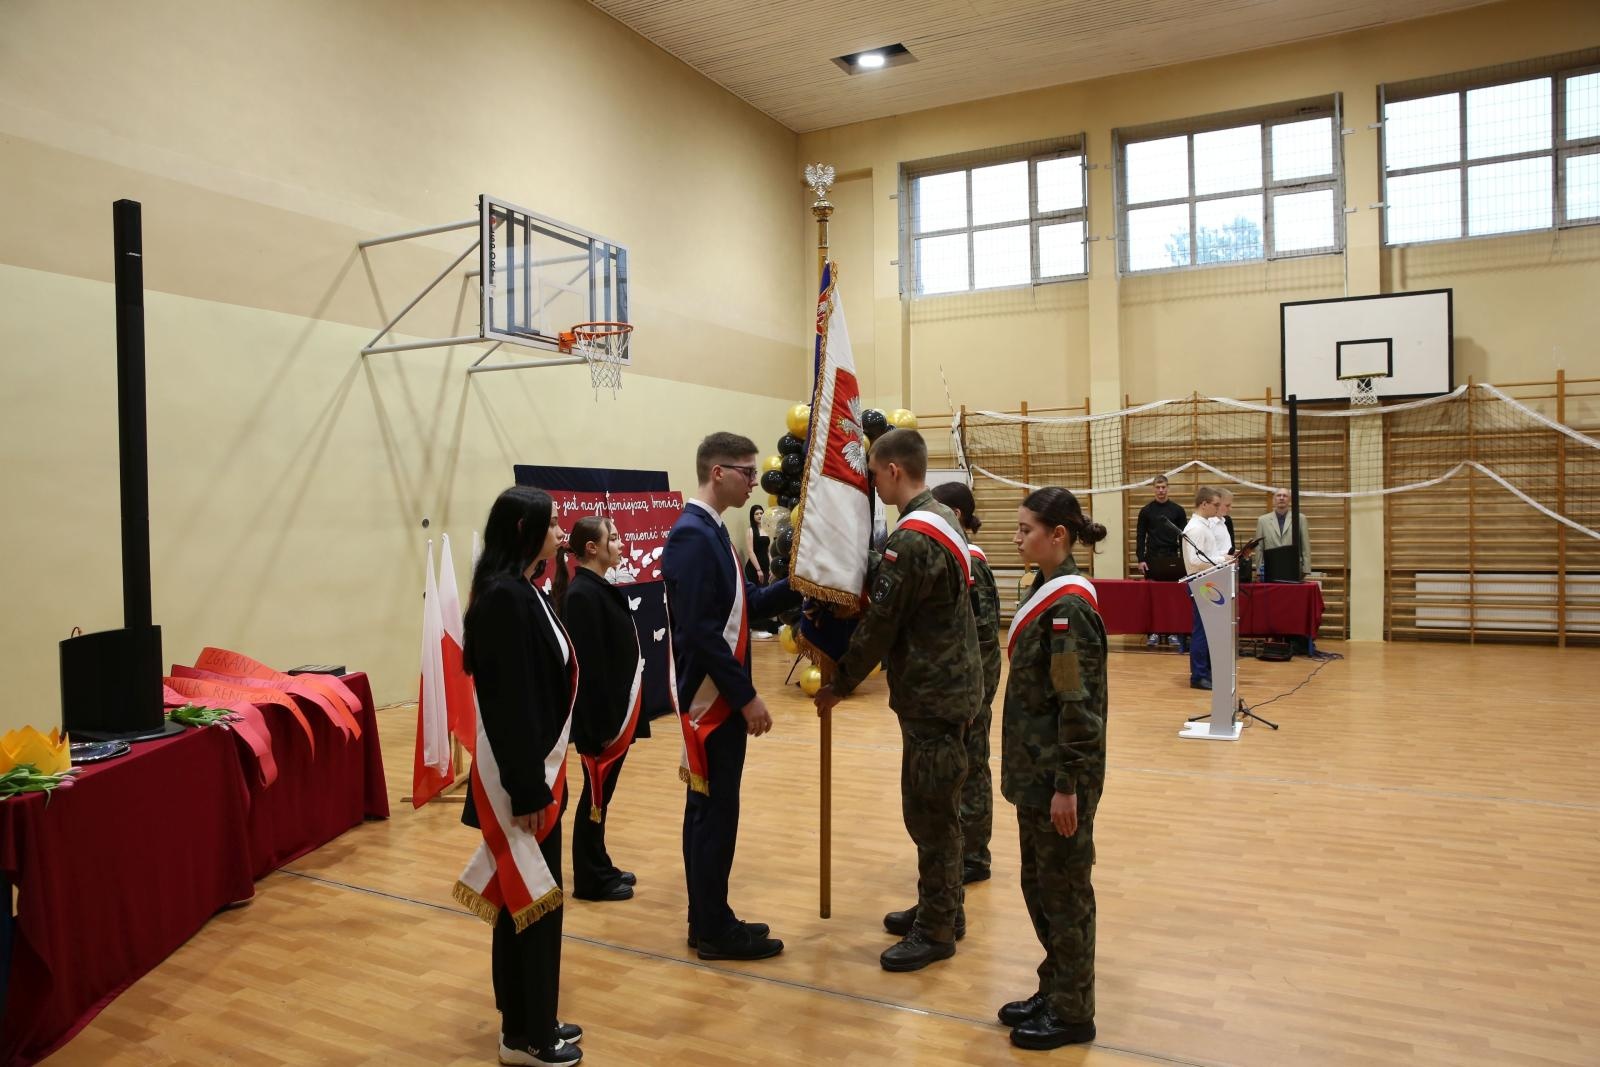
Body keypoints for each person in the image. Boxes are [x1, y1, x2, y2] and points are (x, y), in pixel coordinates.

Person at [814, 430, 983, 972]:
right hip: (950, 689)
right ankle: (943, 906)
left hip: (933, 697)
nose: (871, 484)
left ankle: (937, 930)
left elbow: (881, 625)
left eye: (873, 474)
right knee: (939, 808)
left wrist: (840, 683)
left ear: (893, 470)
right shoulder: (944, 517)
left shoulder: (911, 541)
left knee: (930, 814)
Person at [455, 486, 583, 1067]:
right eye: (552, 524)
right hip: (522, 784)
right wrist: (530, 788)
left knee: (526, 904)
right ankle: (525, 1036)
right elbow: (511, 704)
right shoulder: (504, 597)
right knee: (533, 903)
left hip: (539, 773)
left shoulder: (524, 589)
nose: (561, 533)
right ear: (523, 532)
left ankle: (532, 1018)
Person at [661, 432, 798, 961]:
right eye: (746, 471)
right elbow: (699, 630)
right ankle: (714, 928)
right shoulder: (692, 536)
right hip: (712, 699)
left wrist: (798, 584)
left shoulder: (713, 530)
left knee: (712, 812)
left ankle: (708, 918)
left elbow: (747, 605)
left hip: (720, 694)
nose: (754, 481)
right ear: (717, 473)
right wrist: (745, 697)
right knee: (713, 814)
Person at [997, 486, 1108, 1051]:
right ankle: (1055, 986)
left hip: (1056, 782)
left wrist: (1067, 785)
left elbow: (1077, 705)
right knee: (1041, 888)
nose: (1017, 539)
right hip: (1034, 777)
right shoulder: (1043, 591)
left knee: (1065, 894)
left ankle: (1073, 1012)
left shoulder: (1067, 609)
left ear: (1057, 535)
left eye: (1026, 530)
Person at [557, 516, 645, 904]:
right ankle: (590, 879)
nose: (621, 544)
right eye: (614, 538)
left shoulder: (596, 587)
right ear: (592, 548)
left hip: (613, 715)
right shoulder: (582, 595)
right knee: (594, 797)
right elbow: (589, 670)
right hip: (600, 721)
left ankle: (599, 862)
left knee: (602, 798)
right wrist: (602, 723)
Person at [930, 480, 1001, 886]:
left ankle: (974, 855)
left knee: (972, 770)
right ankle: (964, 851)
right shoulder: (955, 556)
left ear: (955, 514)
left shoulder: (971, 563)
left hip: (970, 693)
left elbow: (985, 640)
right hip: (959, 689)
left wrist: (975, 700)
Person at [1182, 487, 1232, 691]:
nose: (1218, 508)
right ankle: (1199, 675)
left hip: (1208, 581)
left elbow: (1206, 554)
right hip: (1201, 581)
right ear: (1204, 504)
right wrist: (1222, 559)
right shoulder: (1195, 528)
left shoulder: (1204, 526)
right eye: (1215, 505)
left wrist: (1223, 558)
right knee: (1202, 631)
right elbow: (1194, 561)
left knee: (1209, 630)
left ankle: (1206, 671)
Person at [1134, 475, 1186, 649]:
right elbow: (1140, 536)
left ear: (1168, 488)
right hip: (1152, 558)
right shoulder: (1146, 511)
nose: (1161, 490)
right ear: (1153, 489)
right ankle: (1154, 632)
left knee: (1172, 598)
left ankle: (1172, 632)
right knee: (1153, 598)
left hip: (1172, 557)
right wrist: (1140, 559)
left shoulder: (1178, 510)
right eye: (1158, 487)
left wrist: (1184, 560)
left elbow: (1183, 538)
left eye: (1164, 487)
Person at [1254, 488, 1311, 577]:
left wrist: (1306, 569)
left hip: (1294, 568)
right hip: (1270, 568)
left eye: (1285, 496)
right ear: (1274, 499)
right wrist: (1258, 570)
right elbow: (1259, 548)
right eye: (1278, 495)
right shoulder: (1262, 520)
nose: (1281, 498)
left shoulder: (1300, 518)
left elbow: (1305, 546)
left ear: (1289, 499)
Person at [744, 503, 777, 638]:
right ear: (752, 516)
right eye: (756, 514)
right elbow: (750, 551)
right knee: (757, 597)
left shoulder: (766, 529)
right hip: (754, 569)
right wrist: (758, 570)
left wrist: (771, 567)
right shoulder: (750, 531)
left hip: (765, 568)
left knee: (766, 596)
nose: (759, 515)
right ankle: (756, 629)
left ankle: (766, 626)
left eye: (761, 513)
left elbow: (768, 551)